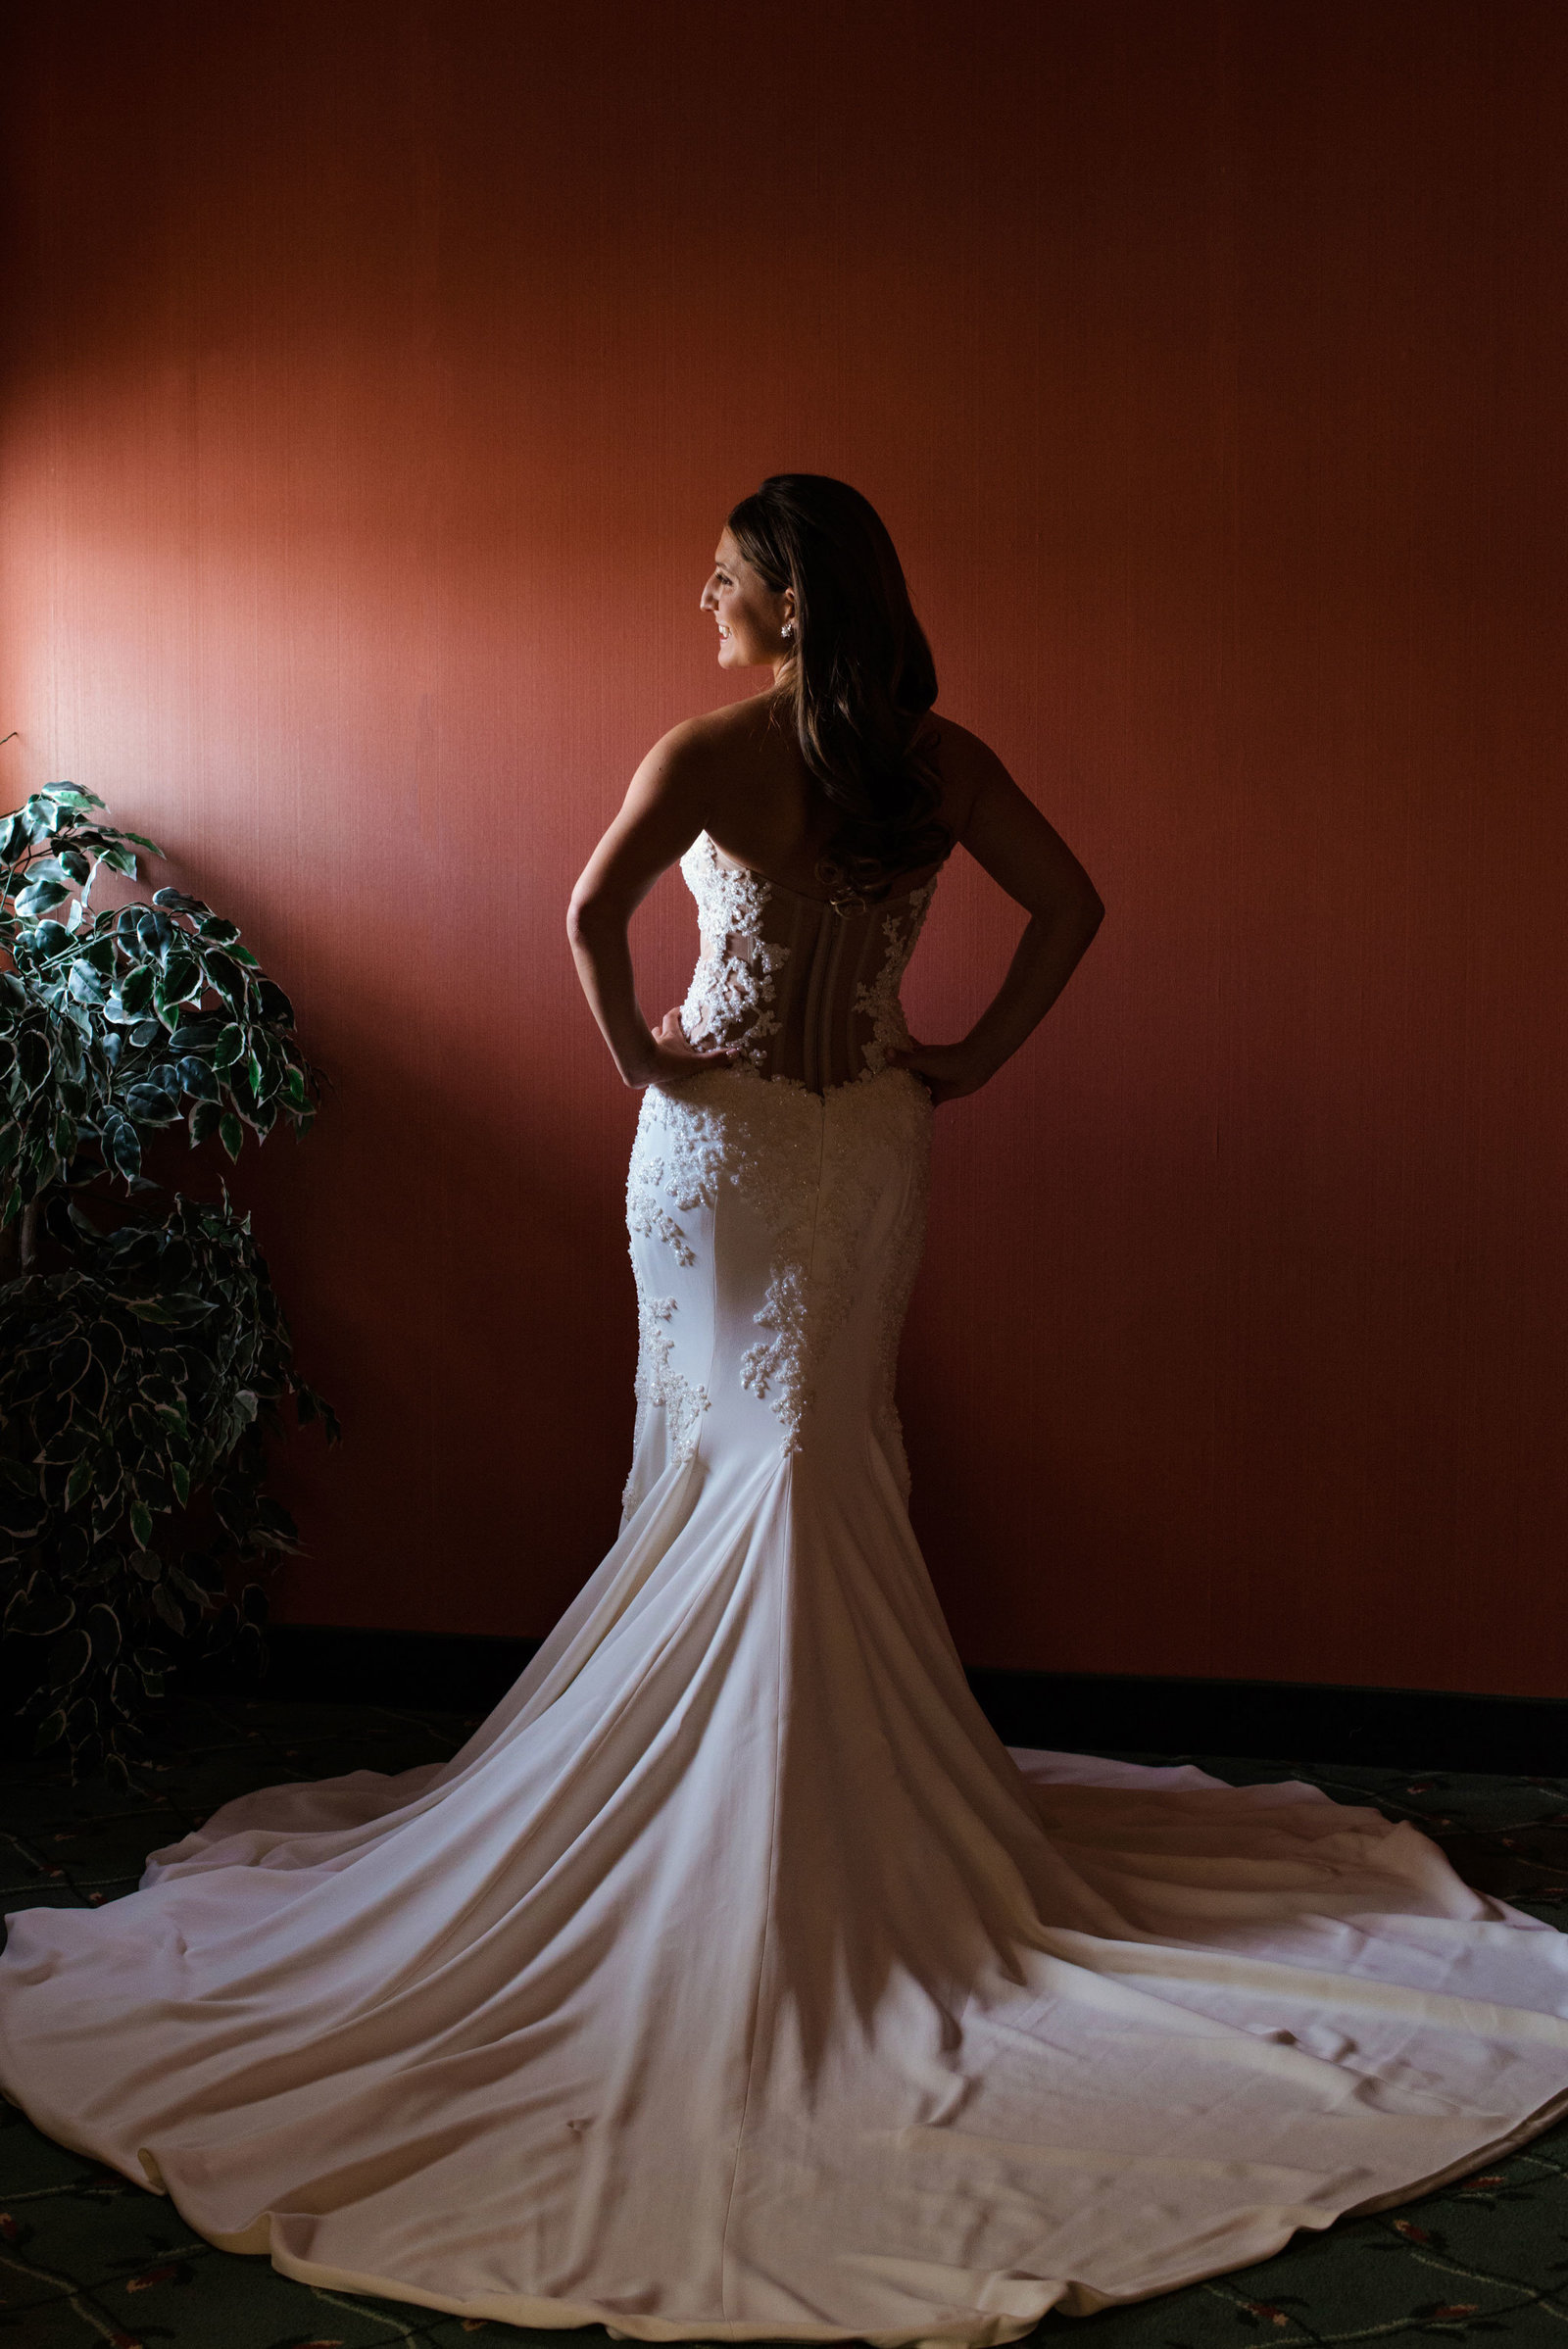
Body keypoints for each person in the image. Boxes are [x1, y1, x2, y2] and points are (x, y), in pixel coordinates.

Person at [1, 476, 1565, 2345]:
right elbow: (1016, 908)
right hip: (816, 1150)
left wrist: (664, 1056)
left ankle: (818, 1843)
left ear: (796, 603)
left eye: (725, 577)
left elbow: (608, 915)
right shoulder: (929, 760)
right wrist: (919, 1056)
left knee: (811, 1459)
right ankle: (763, 1831)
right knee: (754, 1460)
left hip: (750, 1148)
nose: (700, 596)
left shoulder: (746, 752)